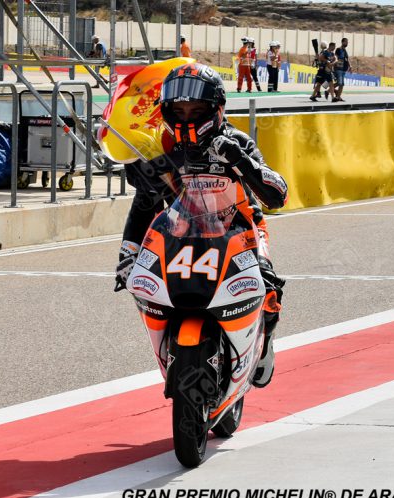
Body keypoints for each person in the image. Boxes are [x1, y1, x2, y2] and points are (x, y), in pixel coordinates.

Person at [116, 63, 288, 388]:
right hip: (181, 232)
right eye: (178, 111)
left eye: (196, 110)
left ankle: (265, 342)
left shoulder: (236, 140)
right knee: (145, 282)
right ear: (165, 111)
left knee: (269, 284)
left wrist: (240, 161)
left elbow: (277, 194)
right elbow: (144, 205)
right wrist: (128, 253)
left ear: (216, 109)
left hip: (241, 228)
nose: (186, 118)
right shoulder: (159, 147)